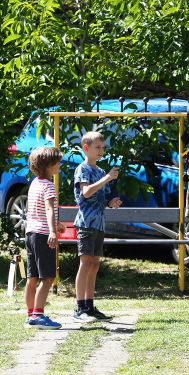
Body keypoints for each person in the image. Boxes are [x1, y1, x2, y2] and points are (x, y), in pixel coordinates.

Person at [73, 131, 122, 323]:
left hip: (99, 224)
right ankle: (79, 309)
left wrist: (111, 203)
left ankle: (90, 306)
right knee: (85, 264)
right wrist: (106, 179)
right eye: (97, 147)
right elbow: (85, 193)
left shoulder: (101, 172)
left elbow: (100, 200)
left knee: (94, 265)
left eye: (103, 147)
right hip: (86, 224)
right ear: (86, 148)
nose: (101, 151)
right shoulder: (83, 169)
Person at [24, 147, 66, 329]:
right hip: (43, 235)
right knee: (48, 277)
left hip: (31, 233)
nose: (60, 164)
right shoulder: (49, 185)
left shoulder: (35, 183)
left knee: (32, 277)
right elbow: (49, 209)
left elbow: (36, 210)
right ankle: (38, 316)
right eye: (57, 162)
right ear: (49, 165)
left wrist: (55, 224)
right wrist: (53, 232)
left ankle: (30, 314)